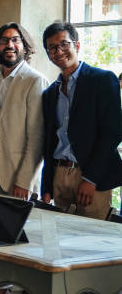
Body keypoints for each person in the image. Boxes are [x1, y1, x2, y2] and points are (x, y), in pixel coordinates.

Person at [42, 22, 122, 220]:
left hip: (90, 176)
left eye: (64, 44)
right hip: (60, 174)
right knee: (60, 240)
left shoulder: (102, 79)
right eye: (52, 47)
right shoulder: (50, 93)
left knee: (92, 241)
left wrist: (90, 178)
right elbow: (48, 141)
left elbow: (113, 132)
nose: (58, 51)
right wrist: (47, 185)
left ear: (76, 46)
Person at [0, 23, 49, 198]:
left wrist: (25, 180)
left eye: (15, 40)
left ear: (25, 46)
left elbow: (37, 137)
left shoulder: (34, 81)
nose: (10, 45)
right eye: (4, 41)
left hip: (15, 174)